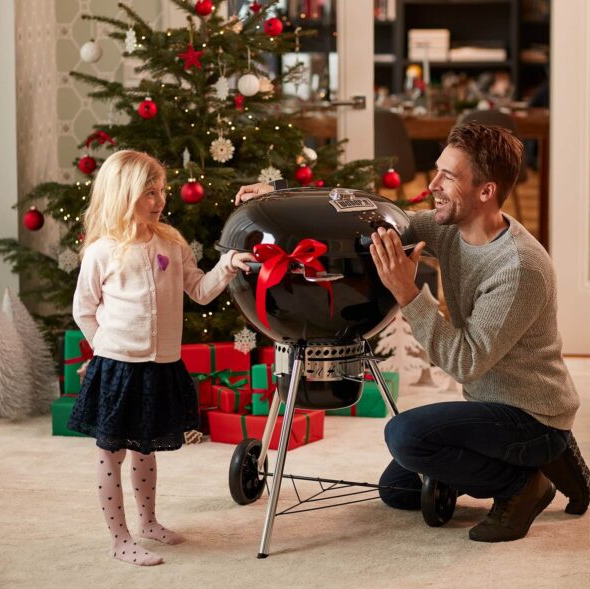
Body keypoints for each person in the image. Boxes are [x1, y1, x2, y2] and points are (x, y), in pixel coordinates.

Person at [234, 123, 588, 543]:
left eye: (448, 177)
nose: (432, 184)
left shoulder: (519, 268)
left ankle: (525, 485)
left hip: (528, 414)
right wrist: (279, 197)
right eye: (437, 171)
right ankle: (552, 459)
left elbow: (465, 361)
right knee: (398, 490)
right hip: (490, 403)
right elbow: (370, 220)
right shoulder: (451, 226)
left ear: (486, 192)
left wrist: (408, 291)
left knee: (406, 436)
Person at [69, 150, 255, 566]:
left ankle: (149, 521)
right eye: (148, 192)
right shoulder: (103, 251)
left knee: (145, 448)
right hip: (117, 367)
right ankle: (119, 539)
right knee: (111, 453)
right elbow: (83, 309)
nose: (159, 201)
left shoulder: (171, 242)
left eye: (162, 191)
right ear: (123, 194)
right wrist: (105, 349)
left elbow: (200, 291)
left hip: (161, 364)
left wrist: (226, 266)